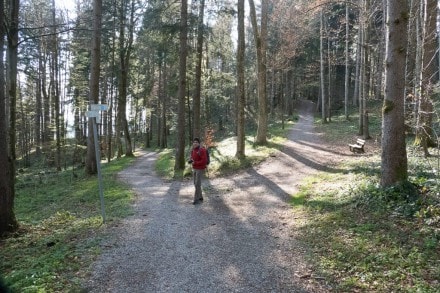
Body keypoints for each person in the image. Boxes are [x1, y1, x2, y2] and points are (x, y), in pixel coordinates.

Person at [188, 137, 208, 205]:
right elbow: (192, 158)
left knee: (197, 184)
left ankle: (196, 199)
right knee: (195, 183)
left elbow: (204, 161)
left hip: (200, 168)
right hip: (195, 168)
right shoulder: (193, 150)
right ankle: (200, 197)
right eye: (194, 142)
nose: (195, 143)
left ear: (199, 143)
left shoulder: (202, 150)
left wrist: (195, 163)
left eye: (196, 142)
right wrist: (191, 160)